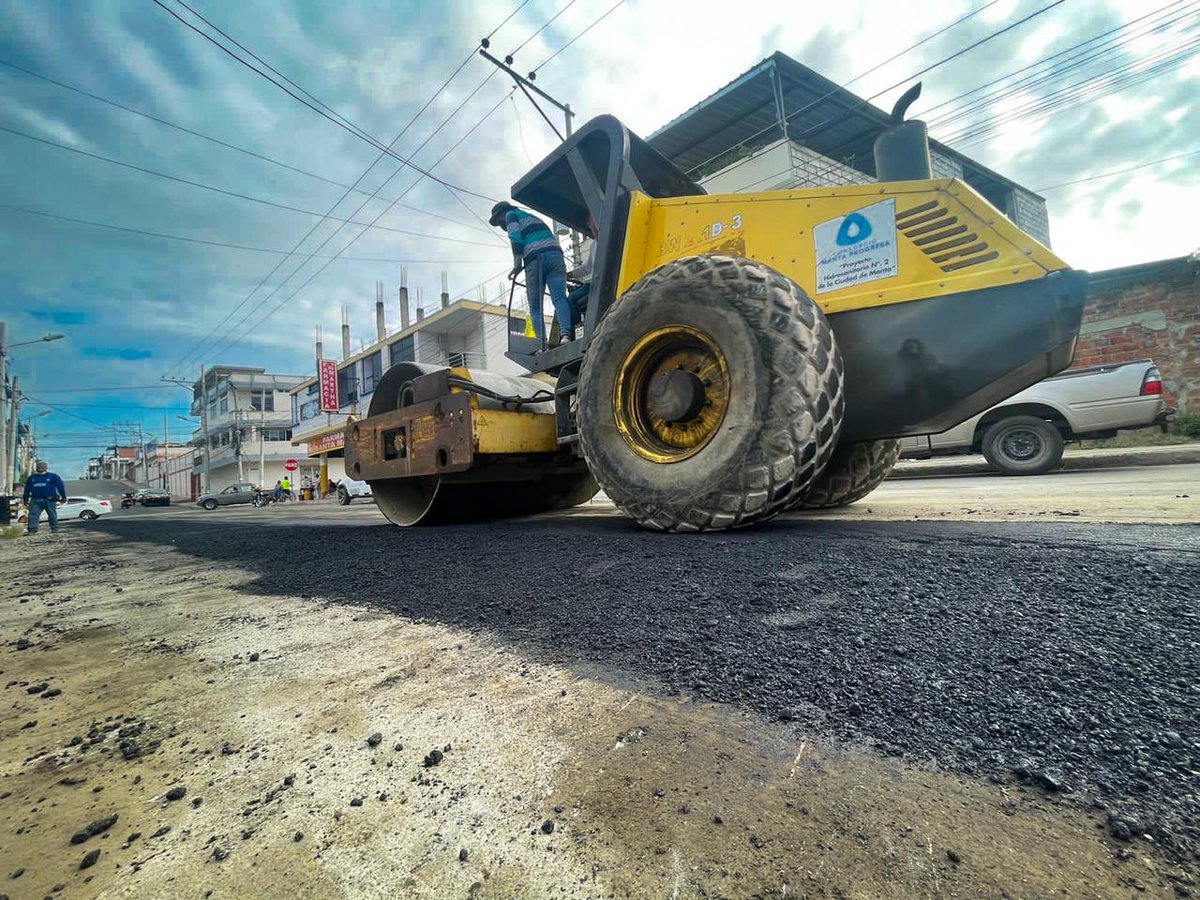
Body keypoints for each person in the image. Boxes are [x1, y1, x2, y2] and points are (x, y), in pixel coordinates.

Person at [490, 201, 574, 347]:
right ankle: (566, 335)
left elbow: (515, 237)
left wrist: (517, 265)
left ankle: (541, 344)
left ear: (501, 214)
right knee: (560, 297)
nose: (500, 224)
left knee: (535, 307)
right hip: (555, 255)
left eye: (498, 221)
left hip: (536, 259)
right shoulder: (530, 217)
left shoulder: (511, 215)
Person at [22, 460, 66, 535]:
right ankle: (32, 529)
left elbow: (60, 486)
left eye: (42, 466)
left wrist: (63, 496)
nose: (40, 467)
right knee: (33, 515)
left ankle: (54, 528)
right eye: (39, 466)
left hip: (49, 499)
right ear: (36, 468)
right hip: (35, 500)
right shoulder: (32, 478)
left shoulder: (53, 476)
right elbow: (27, 489)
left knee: (52, 514)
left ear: (46, 468)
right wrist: (25, 499)